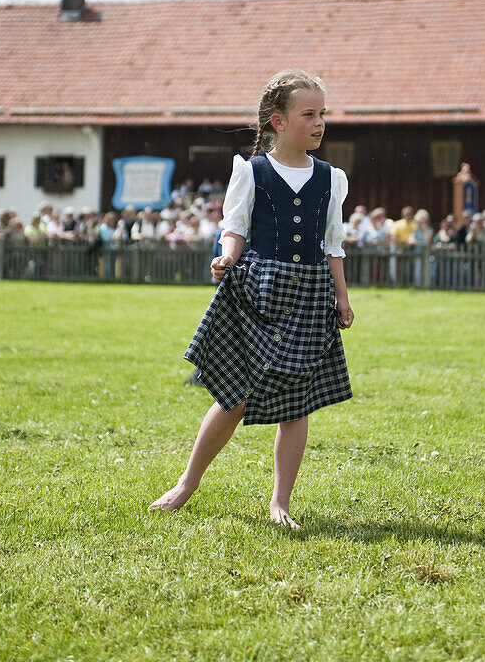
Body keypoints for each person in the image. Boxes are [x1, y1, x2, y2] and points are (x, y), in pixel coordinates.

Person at [149, 69, 354, 529]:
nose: (320, 123)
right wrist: (225, 259)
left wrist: (341, 297)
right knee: (234, 396)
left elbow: (333, 244)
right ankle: (187, 483)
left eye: (323, 114)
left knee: (296, 401)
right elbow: (235, 228)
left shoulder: (331, 178)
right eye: (309, 114)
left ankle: (280, 501)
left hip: (310, 295)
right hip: (256, 292)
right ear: (278, 122)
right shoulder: (252, 171)